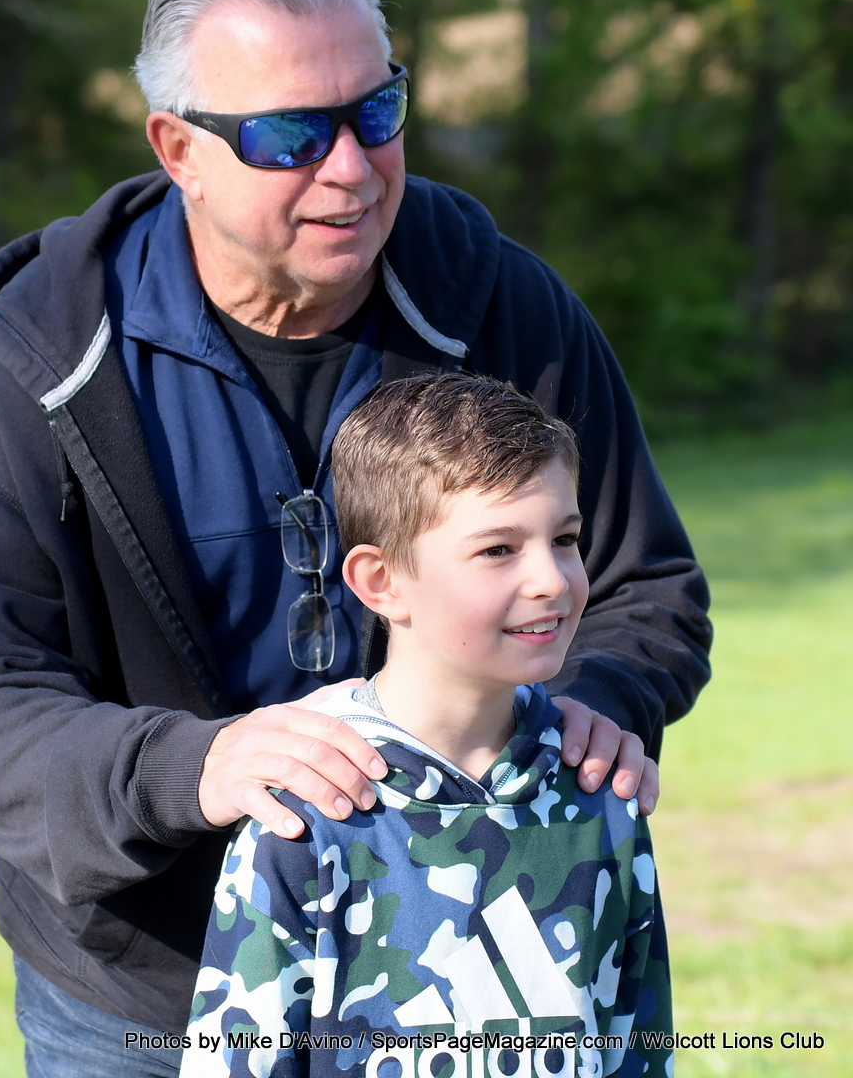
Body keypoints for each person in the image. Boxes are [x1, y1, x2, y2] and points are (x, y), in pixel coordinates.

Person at [0, 0, 707, 1078]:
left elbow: (644, 587)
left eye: (376, 112)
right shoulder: (50, 360)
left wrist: (591, 701)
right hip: (138, 996)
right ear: (178, 148)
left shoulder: (503, 309)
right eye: (290, 135)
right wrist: (193, 767)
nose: (350, 168)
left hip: (452, 967)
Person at [183, 374, 673, 1078]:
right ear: (381, 582)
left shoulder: (601, 793)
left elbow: (637, 1043)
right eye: (498, 550)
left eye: (564, 539)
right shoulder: (309, 814)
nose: (551, 579)